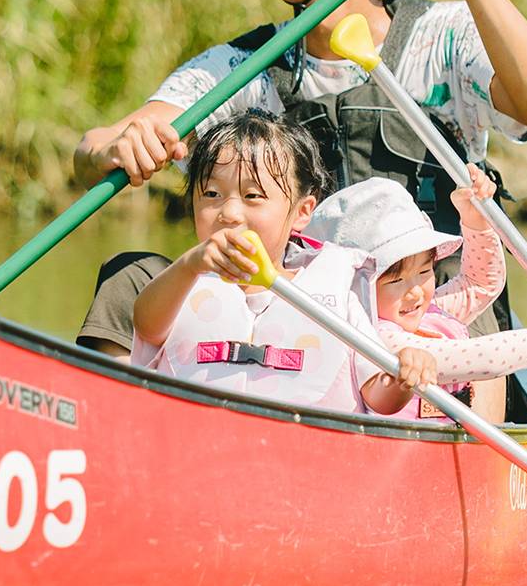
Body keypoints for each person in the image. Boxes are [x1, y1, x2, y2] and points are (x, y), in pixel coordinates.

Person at [75, 0, 527, 368]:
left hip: (421, 322)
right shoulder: (242, 66)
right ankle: (116, 428)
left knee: (464, 323)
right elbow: (105, 142)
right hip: (302, 319)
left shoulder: (442, 36)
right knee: (130, 278)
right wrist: (116, 147)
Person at [131, 110, 437, 416]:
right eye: (212, 193)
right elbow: (147, 326)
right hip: (194, 445)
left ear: (302, 212)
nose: (229, 213)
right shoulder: (184, 281)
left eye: (252, 195)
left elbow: (378, 397)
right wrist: (190, 265)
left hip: (304, 452)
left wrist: (403, 377)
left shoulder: (337, 292)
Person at [307, 171, 527, 421]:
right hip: (409, 464)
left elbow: (480, 285)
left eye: (424, 272)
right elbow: (485, 357)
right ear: (356, 289)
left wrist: (475, 222)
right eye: (395, 280)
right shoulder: (379, 337)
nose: (414, 291)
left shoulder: (427, 311)